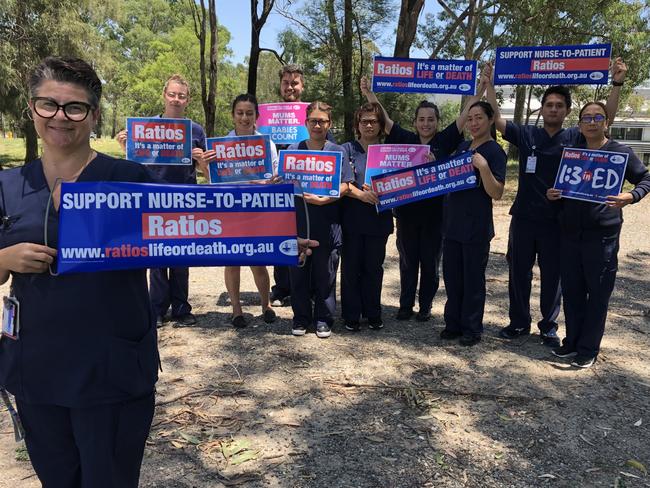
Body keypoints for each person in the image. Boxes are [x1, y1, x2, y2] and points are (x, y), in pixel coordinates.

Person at [0, 57, 158, 487]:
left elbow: (186, 233)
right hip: (36, 370)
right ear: (31, 109)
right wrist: (4, 260)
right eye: (48, 104)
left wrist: (272, 239)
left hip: (112, 370)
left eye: (75, 108)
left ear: (94, 115)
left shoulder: (128, 178)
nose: (60, 117)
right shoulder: (9, 185)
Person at [484, 59, 627, 347]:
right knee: (518, 272)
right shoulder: (527, 134)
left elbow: (604, 118)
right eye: (549, 104)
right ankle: (518, 322)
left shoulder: (575, 135)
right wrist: (489, 85)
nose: (553, 109)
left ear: (567, 111)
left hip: (558, 220)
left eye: (559, 105)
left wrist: (617, 84)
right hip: (524, 218)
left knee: (553, 276)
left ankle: (548, 326)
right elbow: (497, 120)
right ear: (542, 106)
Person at [361, 76, 484, 322]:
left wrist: (481, 89)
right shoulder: (405, 139)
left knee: (430, 263)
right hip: (406, 214)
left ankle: (425, 306)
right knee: (408, 262)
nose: (425, 124)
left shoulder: (445, 140)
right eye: (421, 119)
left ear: (437, 122)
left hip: (436, 216)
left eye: (430, 120)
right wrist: (369, 94)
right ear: (415, 122)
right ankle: (405, 305)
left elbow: (464, 116)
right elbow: (384, 121)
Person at [547, 101, 650, 368]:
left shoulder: (620, 152)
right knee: (572, 290)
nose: (592, 122)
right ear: (579, 124)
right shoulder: (572, 153)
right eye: (586, 118)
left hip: (602, 237)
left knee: (598, 293)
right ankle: (571, 342)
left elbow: (646, 179)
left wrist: (630, 196)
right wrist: (553, 195)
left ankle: (588, 348)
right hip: (570, 235)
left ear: (607, 122)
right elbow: (560, 189)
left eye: (598, 117)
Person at [117, 74, 207, 327]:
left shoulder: (196, 130)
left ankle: (181, 308)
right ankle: (156, 308)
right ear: (164, 95)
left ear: (187, 100)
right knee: (156, 257)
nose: (176, 99)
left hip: (185, 199)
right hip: (153, 198)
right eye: (172, 94)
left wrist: (201, 161)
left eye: (182, 96)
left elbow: (206, 172)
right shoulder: (144, 128)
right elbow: (133, 165)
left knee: (181, 255)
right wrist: (126, 146)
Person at [196, 94, 278, 328]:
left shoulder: (267, 144)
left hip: (257, 210)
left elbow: (273, 176)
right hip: (231, 209)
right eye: (240, 113)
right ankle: (236, 309)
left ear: (256, 117)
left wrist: (264, 183)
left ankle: (266, 305)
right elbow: (214, 182)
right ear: (233, 115)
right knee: (232, 261)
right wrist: (204, 166)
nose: (244, 117)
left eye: (249, 113)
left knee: (258, 261)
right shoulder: (220, 146)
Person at [439, 101, 506, 346]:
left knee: (473, 281)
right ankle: (453, 324)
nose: (474, 123)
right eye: (470, 118)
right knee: (453, 279)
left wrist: (484, 168)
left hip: (476, 227)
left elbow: (496, 193)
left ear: (490, 120)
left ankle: (472, 328)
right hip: (453, 224)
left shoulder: (494, 151)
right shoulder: (462, 146)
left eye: (479, 118)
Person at [287, 101, 353, 338]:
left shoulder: (338, 151)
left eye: (322, 121)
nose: (317, 125)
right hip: (299, 221)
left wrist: (325, 199)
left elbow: (346, 185)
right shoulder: (294, 149)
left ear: (329, 124)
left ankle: (324, 318)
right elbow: (285, 183)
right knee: (299, 272)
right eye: (313, 120)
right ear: (305, 123)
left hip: (327, 222)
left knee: (326, 273)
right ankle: (301, 317)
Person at [340, 102, 393, 331]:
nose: (369, 125)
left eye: (374, 121)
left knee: (373, 268)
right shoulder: (346, 149)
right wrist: (362, 195)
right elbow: (343, 183)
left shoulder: (390, 152)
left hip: (379, 220)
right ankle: (351, 315)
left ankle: (373, 313)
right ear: (357, 124)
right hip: (352, 219)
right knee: (351, 268)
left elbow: (403, 182)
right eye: (364, 121)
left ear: (381, 125)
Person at [269, 64, 306, 307]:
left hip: (305, 194)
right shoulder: (266, 118)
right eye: (286, 83)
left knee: (303, 238)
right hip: (274, 191)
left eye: (295, 83)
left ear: (302, 86)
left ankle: (304, 288)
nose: (290, 87)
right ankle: (281, 289)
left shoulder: (311, 115)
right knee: (278, 238)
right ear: (280, 85)